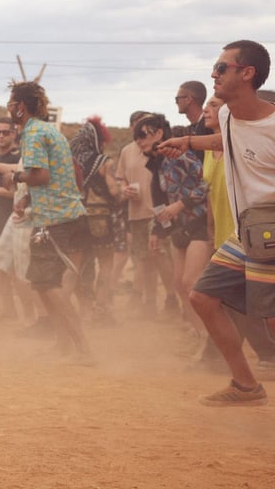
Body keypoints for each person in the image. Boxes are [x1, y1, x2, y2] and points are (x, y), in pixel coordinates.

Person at [158, 40, 275, 406]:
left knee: (270, 319)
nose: (213, 74)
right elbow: (223, 139)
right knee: (203, 296)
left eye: (221, 67)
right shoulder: (226, 116)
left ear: (247, 73)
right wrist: (187, 141)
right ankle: (245, 385)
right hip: (245, 234)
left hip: (270, 231)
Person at [0, 81, 94, 365]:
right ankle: (64, 345)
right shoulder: (47, 130)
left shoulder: (33, 132)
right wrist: (27, 201)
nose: (8, 107)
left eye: (11, 103)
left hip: (57, 220)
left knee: (49, 286)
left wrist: (16, 178)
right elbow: (56, 176)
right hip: (62, 216)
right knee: (45, 284)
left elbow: (42, 175)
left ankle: (82, 349)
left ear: (20, 107)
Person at [133, 114, 210, 347]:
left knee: (190, 282)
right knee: (178, 283)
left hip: (200, 222)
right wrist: (159, 229)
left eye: (143, 135)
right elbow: (159, 201)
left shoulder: (178, 154)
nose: (139, 141)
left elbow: (207, 184)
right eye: (136, 137)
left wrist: (181, 205)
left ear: (158, 133)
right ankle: (201, 337)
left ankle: (210, 341)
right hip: (180, 228)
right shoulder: (155, 163)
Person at [115, 111, 177, 318]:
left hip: (161, 213)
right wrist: (123, 190)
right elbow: (120, 178)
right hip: (136, 212)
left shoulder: (162, 149)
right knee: (144, 260)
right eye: (136, 128)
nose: (140, 136)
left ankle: (171, 298)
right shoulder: (127, 151)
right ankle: (150, 303)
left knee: (161, 256)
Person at [69, 117, 122, 324]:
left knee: (79, 266)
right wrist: (120, 195)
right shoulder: (104, 162)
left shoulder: (71, 164)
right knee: (106, 264)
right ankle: (101, 308)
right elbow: (113, 190)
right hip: (101, 220)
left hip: (76, 219)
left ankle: (84, 310)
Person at [174, 80, 211, 162]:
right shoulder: (193, 128)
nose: (176, 103)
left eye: (177, 99)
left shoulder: (209, 127)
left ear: (188, 99)